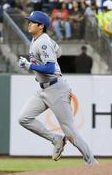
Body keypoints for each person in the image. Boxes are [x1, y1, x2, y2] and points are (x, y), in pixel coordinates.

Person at [16, 10, 97, 164]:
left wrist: (29, 65)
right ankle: (56, 139)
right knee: (24, 118)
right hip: (44, 89)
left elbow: (50, 68)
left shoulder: (42, 42)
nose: (29, 24)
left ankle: (92, 162)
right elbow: (59, 51)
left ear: (41, 26)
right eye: (30, 21)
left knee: (71, 132)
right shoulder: (38, 40)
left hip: (56, 88)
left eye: (33, 22)